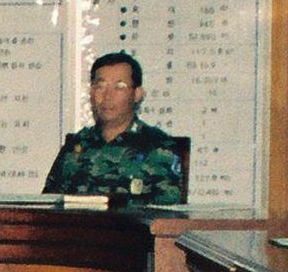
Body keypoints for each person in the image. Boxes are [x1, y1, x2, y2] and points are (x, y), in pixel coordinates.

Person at [43, 52, 185, 207]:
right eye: (101, 86)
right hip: (76, 223)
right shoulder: (77, 145)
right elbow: (49, 203)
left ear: (137, 94)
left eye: (119, 87)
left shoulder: (158, 146)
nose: (107, 96)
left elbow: (167, 211)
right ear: (91, 92)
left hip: (131, 224)